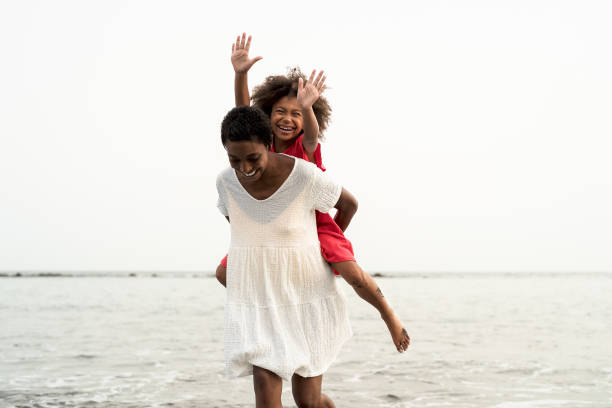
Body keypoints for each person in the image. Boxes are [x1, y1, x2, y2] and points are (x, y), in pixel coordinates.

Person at [216, 33, 410, 354]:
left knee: (352, 273)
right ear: (267, 113)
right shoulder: (260, 144)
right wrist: (241, 74)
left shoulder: (304, 145)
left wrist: (319, 252)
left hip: (312, 218)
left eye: (296, 114)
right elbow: (242, 112)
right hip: (274, 223)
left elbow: (312, 135)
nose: (288, 119)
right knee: (225, 272)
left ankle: (388, 313)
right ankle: (275, 311)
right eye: (281, 111)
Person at [217, 106, 353, 407]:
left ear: (268, 144)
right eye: (234, 159)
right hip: (261, 303)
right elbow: (240, 223)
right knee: (265, 395)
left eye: (252, 158)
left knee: (309, 402)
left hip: (303, 293)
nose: (245, 167)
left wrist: (320, 250)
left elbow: (349, 204)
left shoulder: (303, 171)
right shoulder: (226, 182)